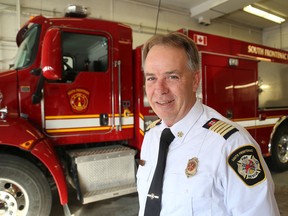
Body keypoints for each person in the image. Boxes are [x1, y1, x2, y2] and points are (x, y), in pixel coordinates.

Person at [136, 32, 280, 216]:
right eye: (151, 78)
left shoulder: (231, 145)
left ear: (195, 80)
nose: (159, 89)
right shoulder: (152, 135)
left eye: (172, 76)